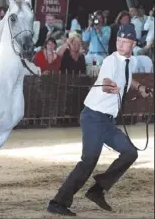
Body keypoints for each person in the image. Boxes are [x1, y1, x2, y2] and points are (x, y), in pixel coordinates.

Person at [46, 24, 151, 216]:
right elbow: (106, 81)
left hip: (107, 122)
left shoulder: (131, 61)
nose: (120, 45)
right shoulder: (111, 61)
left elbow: (127, 78)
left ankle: (97, 190)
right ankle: (57, 202)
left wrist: (139, 87)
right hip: (93, 117)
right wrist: (108, 86)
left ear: (133, 44)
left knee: (130, 153)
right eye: (118, 40)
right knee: (88, 161)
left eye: (125, 42)